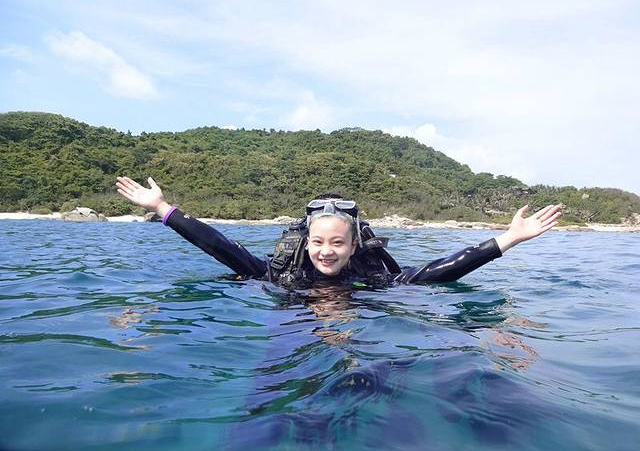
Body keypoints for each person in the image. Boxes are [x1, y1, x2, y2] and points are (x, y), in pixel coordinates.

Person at [116, 176, 561, 288]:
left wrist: (508, 238)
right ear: (305, 242)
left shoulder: (374, 277)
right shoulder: (282, 274)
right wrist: (163, 209)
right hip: (295, 333)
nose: (326, 252)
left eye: (336, 243)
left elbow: (437, 271)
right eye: (317, 242)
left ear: (353, 246)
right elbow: (220, 247)